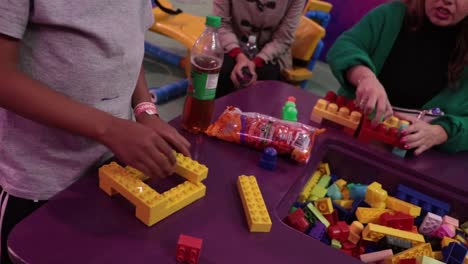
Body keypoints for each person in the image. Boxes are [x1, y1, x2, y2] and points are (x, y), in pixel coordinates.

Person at [0, 1, 191, 262]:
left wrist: (146, 110)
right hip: (41, 179)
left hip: (112, 165)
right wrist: (111, 129)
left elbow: (128, 41)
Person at [327, 0, 468, 155]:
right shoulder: (391, 15)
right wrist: (365, 78)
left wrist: (441, 132)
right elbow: (345, 46)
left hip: (419, 158)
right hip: (349, 133)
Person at [213, 0, 306, 98]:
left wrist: (256, 61)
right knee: (219, 70)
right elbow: (221, 25)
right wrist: (238, 55)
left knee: (267, 79)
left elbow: (282, 39)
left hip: (271, 53)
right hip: (231, 43)